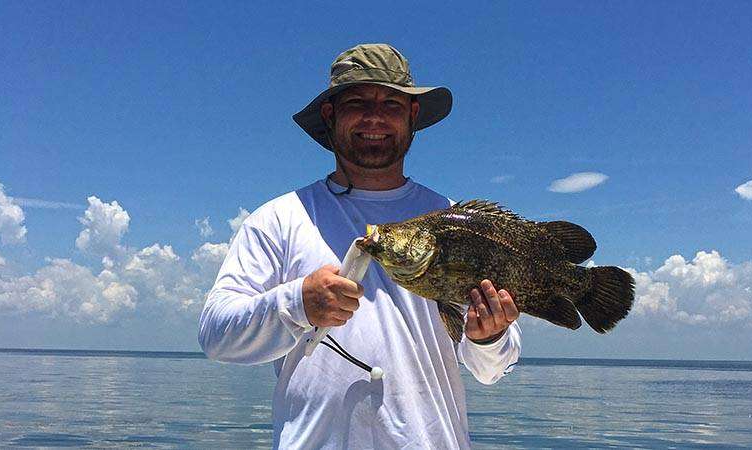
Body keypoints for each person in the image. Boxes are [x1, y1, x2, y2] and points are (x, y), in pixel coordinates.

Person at [199, 43, 522, 449]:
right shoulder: (279, 219)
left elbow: (494, 368)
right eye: (357, 102)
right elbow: (215, 334)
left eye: (391, 102)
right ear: (330, 116)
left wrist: (488, 337)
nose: (375, 117)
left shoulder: (457, 222)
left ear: (412, 115)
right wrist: (297, 303)